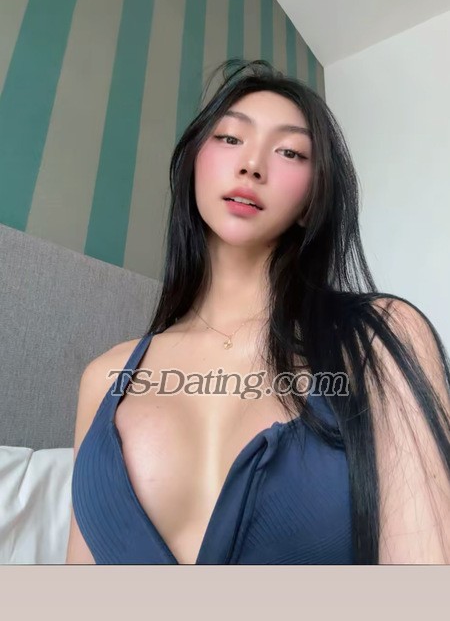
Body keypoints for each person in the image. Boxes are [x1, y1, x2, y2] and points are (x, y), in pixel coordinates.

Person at [66, 58, 450, 565]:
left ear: (312, 198)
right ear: (193, 164)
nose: (252, 165)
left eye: (290, 152)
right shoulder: (103, 378)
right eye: (230, 138)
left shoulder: (380, 340)